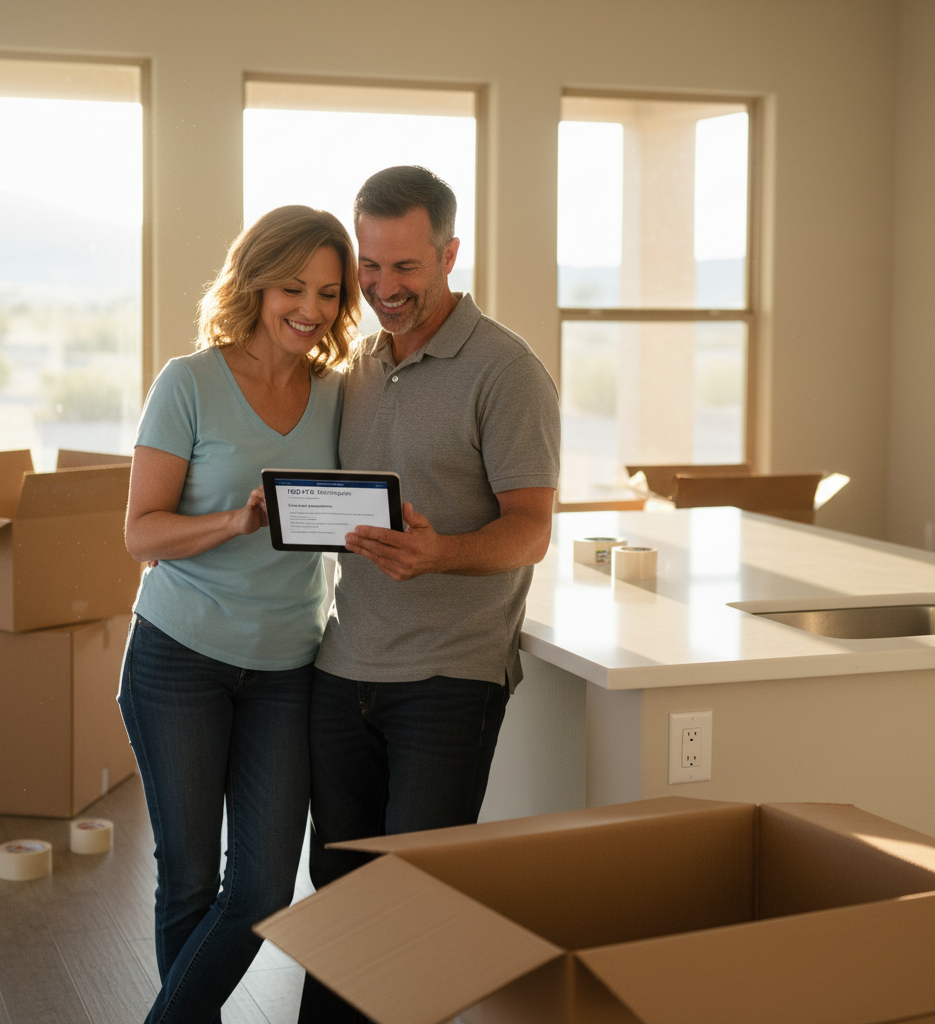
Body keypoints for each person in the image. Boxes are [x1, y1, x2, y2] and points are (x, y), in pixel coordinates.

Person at [299, 166, 561, 1023]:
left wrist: (441, 552)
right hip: (345, 666)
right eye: (369, 267)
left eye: (404, 267)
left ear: (450, 253)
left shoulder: (507, 370)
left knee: (414, 898)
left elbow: (531, 528)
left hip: (451, 676)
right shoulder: (360, 364)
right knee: (338, 890)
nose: (382, 288)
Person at [117, 205, 359, 1024]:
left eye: (328, 292)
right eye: (293, 286)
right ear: (256, 282)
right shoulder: (188, 383)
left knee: (258, 887)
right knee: (187, 878)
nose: (311, 309)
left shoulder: (340, 394)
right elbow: (139, 530)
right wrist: (236, 520)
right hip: (178, 654)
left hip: (289, 665)